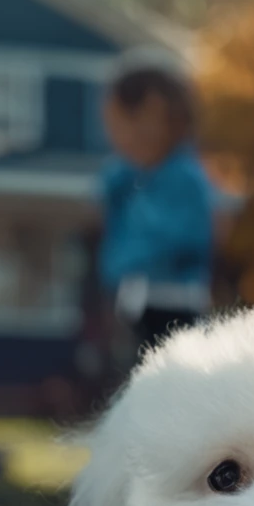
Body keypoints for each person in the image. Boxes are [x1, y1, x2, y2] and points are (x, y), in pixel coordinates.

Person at [98, 47, 215, 352]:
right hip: (132, 298)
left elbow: (181, 240)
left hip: (173, 301)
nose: (119, 138)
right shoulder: (129, 178)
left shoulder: (183, 179)